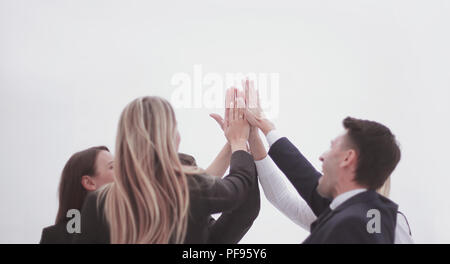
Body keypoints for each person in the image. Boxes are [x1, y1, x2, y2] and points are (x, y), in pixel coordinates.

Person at [73, 95, 259, 244]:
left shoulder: (99, 201)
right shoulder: (186, 188)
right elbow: (238, 187)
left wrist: (232, 143)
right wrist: (239, 141)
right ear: (168, 134)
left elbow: (206, 185)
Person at [241, 79, 404, 243]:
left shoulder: (364, 222)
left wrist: (261, 128)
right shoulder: (345, 212)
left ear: (348, 158)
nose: (322, 156)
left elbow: (306, 181)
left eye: (333, 147)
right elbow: (290, 192)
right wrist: (256, 133)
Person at [40, 146, 114, 244]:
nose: (124, 171)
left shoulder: (135, 226)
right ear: (89, 182)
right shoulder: (55, 238)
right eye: (112, 167)